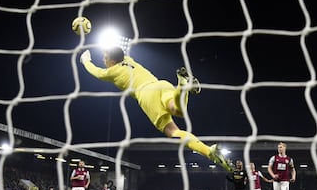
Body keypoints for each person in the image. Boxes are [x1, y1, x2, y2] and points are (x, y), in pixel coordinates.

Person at [80, 47, 233, 172]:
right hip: (161, 84)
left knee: (172, 132)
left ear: (112, 62)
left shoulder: (112, 72)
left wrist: (86, 60)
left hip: (146, 95)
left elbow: (97, 72)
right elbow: (120, 53)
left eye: (105, 58)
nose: (103, 60)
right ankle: (209, 150)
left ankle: (183, 87)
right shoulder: (129, 60)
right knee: (178, 110)